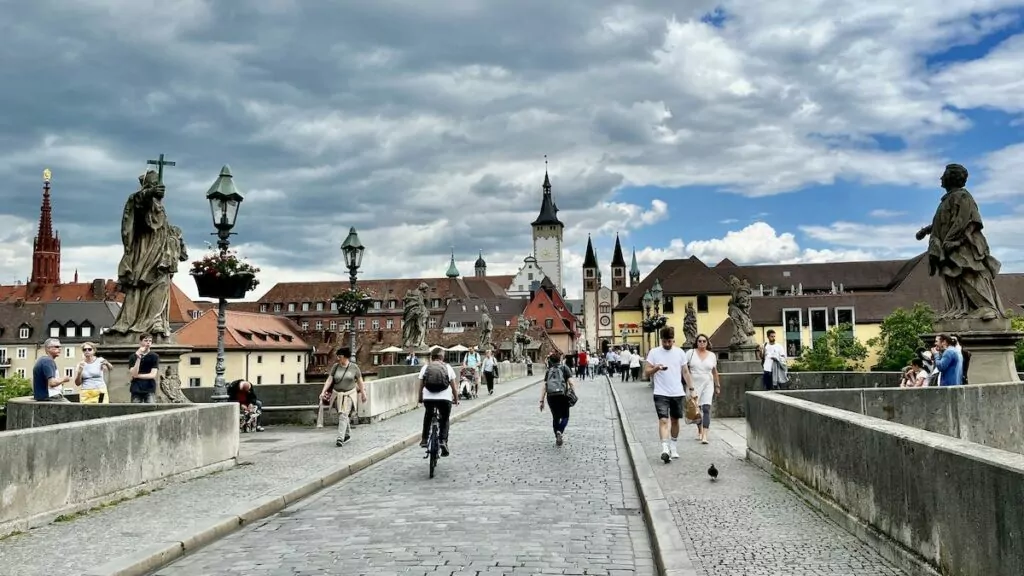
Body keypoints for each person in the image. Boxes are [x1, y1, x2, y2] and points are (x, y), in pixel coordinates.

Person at [645, 326, 687, 463]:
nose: (667, 344)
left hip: (677, 392)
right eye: (665, 342)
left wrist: (692, 388)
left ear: (673, 340)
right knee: (663, 420)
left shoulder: (680, 352)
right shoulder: (654, 352)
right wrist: (656, 368)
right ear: (661, 340)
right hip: (660, 392)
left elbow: (685, 372)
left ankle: (673, 446)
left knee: (675, 420)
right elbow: (646, 372)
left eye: (670, 341)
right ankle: (664, 448)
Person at [319, 347, 368, 446]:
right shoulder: (335, 367)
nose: (338, 359)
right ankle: (348, 434)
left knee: (343, 414)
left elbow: (360, 381)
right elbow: (329, 380)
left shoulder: (354, 367)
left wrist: (363, 393)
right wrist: (323, 391)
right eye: (338, 356)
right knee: (342, 415)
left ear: (346, 357)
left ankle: (340, 438)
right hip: (337, 394)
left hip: (349, 394)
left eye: (340, 357)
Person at [418, 347, 460, 456]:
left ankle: (424, 439)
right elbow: (454, 387)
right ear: (442, 357)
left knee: (428, 416)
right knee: (445, 419)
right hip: (445, 398)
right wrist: (456, 399)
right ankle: (443, 441)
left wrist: (420, 398)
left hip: (429, 398)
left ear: (432, 357)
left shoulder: (426, 367)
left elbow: (421, 386)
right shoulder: (448, 367)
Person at [683, 334, 720, 445]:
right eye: (700, 341)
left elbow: (714, 371)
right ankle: (699, 429)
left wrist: (717, 385)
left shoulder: (712, 355)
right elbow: (685, 370)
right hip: (694, 383)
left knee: (706, 408)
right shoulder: (690, 353)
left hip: (708, 382)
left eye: (704, 341)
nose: (702, 343)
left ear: (707, 342)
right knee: (696, 410)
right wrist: (689, 386)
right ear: (696, 342)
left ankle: (705, 435)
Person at [539, 352, 576, 446]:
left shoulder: (549, 370)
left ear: (550, 361)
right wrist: (572, 393)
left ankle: (557, 436)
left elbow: (544, 386)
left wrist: (542, 400)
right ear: (560, 359)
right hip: (562, 395)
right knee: (565, 416)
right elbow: (571, 383)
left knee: (555, 417)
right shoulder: (564, 368)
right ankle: (560, 431)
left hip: (551, 396)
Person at [33, 338, 70, 402]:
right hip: (52, 396)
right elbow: (52, 383)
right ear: (48, 348)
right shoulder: (48, 361)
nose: (59, 349)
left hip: (42, 397)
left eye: (60, 347)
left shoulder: (42, 360)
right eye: (56, 347)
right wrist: (64, 379)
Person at [128, 333, 160, 403]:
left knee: (150, 409)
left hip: (149, 387)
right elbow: (134, 373)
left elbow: (152, 375)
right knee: (135, 409)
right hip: (136, 387)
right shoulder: (133, 357)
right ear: (140, 342)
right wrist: (139, 358)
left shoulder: (154, 356)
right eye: (145, 340)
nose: (148, 342)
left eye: (150, 341)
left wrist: (137, 376)